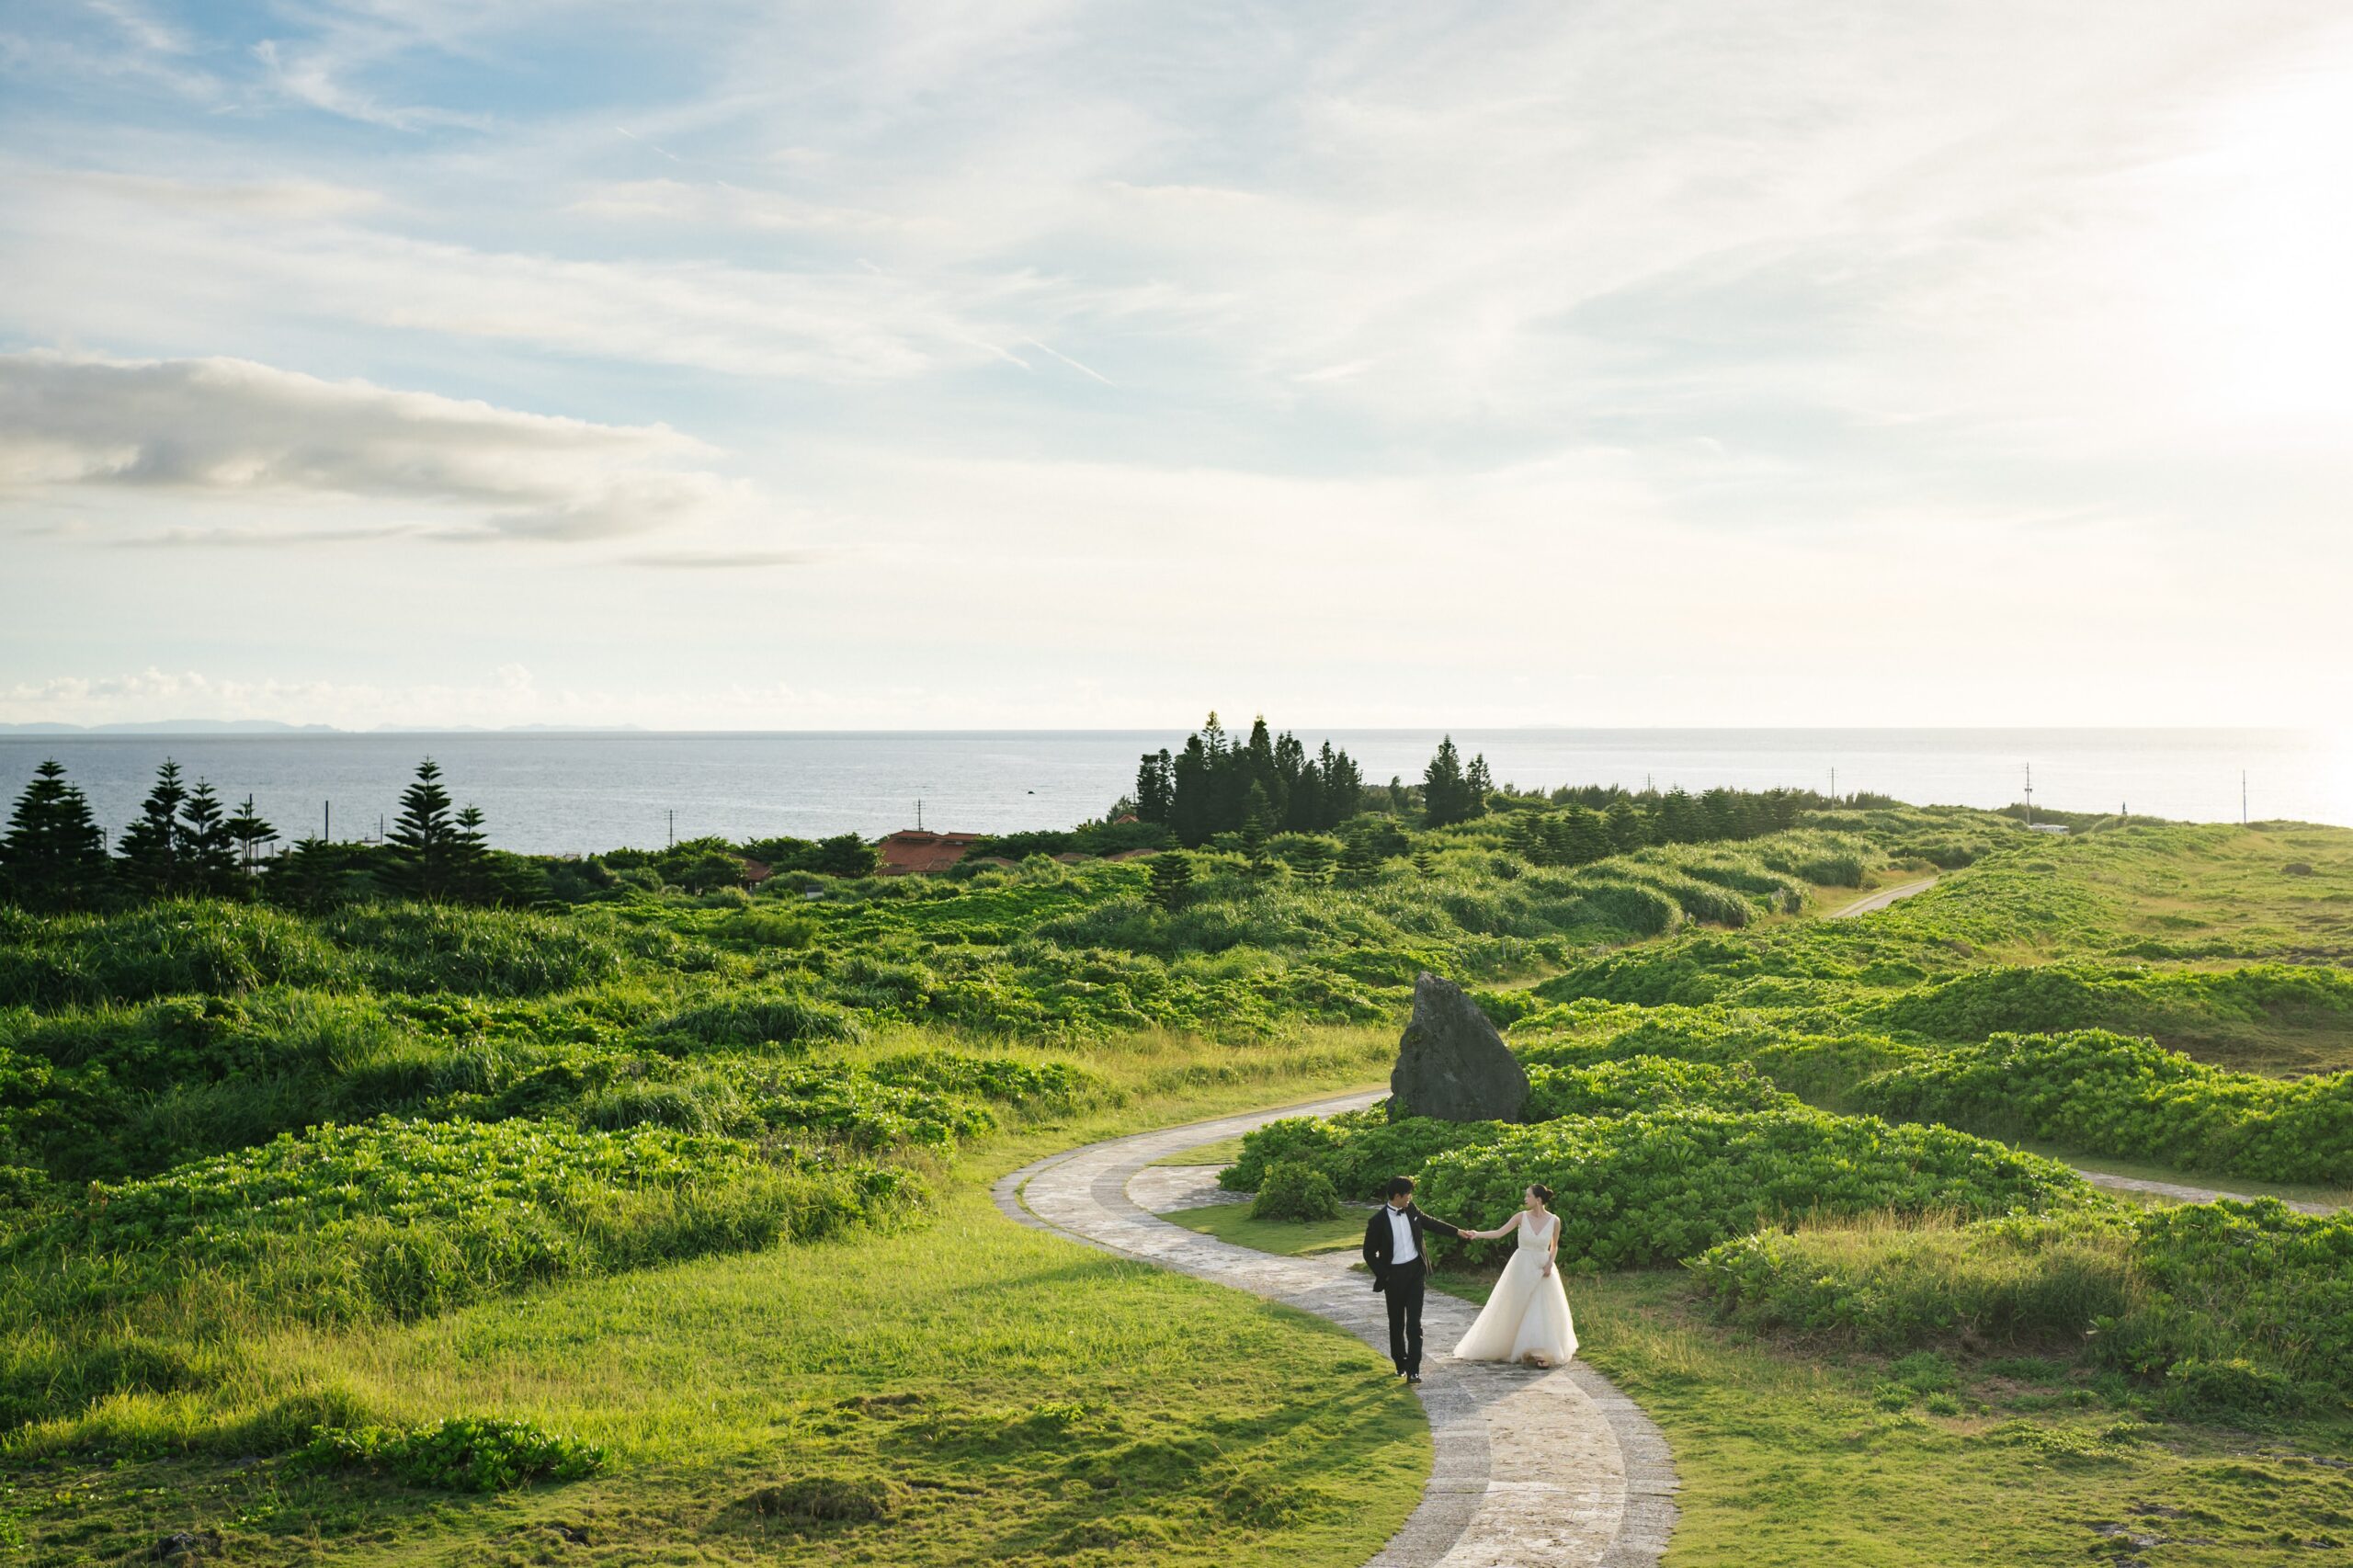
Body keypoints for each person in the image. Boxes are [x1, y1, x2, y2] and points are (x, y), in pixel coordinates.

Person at [1450, 1183, 1578, 1368]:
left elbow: (1554, 1246)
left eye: (1528, 1196)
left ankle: (1538, 1351)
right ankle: (1517, 1346)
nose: (1525, 1199)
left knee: (1540, 1306)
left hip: (1543, 1267)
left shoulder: (1554, 1220)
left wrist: (1550, 1263)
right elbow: (1499, 1233)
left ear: (1538, 1199)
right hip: (1522, 1266)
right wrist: (1477, 1234)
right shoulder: (1521, 1217)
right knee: (1518, 1306)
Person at [1361, 1175, 1466, 1383]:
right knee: (1396, 1323)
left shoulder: (1411, 1209)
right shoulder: (1377, 1221)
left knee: (1414, 1324)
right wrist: (1385, 1275)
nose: (1410, 1197)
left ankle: (1414, 1370)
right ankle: (1400, 1363)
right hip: (1393, 1277)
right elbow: (1368, 1253)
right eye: (1408, 1194)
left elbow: (1430, 1223)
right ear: (1397, 1196)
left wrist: (1457, 1232)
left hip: (1415, 1273)